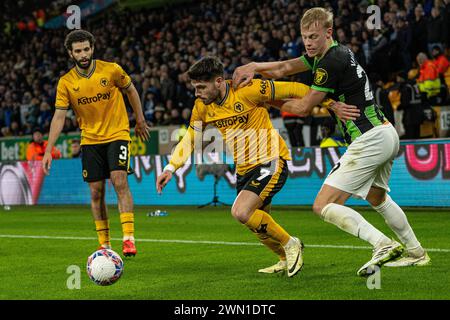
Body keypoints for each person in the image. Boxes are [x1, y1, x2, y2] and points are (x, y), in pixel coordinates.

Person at [233, 7, 429, 275]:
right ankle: (416, 252)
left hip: (368, 137)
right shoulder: (334, 53)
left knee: (323, 204)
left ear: (329, 32)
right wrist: (255, 66)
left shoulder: (328, 63)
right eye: (305, 37)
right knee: (377, 197)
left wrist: (264, 98)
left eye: (314, 37)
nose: (309, 43)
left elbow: (302, 108)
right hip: (385, 133)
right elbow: (285, 67)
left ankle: (381, 244)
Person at [156, 56, 355, 277]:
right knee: (256, 223)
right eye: (194, 87)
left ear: (220, 81)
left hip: (270, 160)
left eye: (201, 87)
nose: (197, 93)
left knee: (241, 211)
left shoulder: (249, 89)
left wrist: (330, 104)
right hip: (244, 169)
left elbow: (295, 88)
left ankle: (291, 244)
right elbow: (192, 137)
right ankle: (283, 258)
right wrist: (170, 168)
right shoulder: (202, 107)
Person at [42, 30, 150, 257]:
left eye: (86, 49)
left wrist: (139, 118)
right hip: (90, 139)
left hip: (117, 133)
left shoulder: (111, 70)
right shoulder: (66, 83)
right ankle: (105, 244)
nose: (83, 54)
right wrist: (49, 149)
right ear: (71, 53)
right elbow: (59, 116)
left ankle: (129, 239)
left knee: (119, 180)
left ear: (92, 48)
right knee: (96, 192)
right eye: (78, 51)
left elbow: (131, 90)